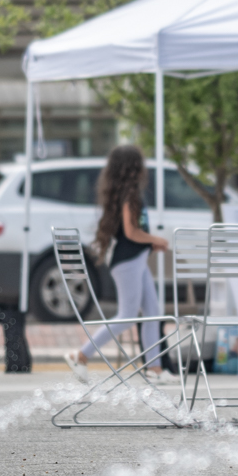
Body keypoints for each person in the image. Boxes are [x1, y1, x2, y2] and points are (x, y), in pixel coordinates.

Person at [70, 144, 171, 373]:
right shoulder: (130, 195)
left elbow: (132, 233)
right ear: (134, 168)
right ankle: (81, 355)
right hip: (128, 263)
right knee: (127, 315)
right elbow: (131, 232)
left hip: (135, 260)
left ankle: (154, 368)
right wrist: (157, 239)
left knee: (153, 313)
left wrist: (150, 242)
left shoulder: (125, 193)